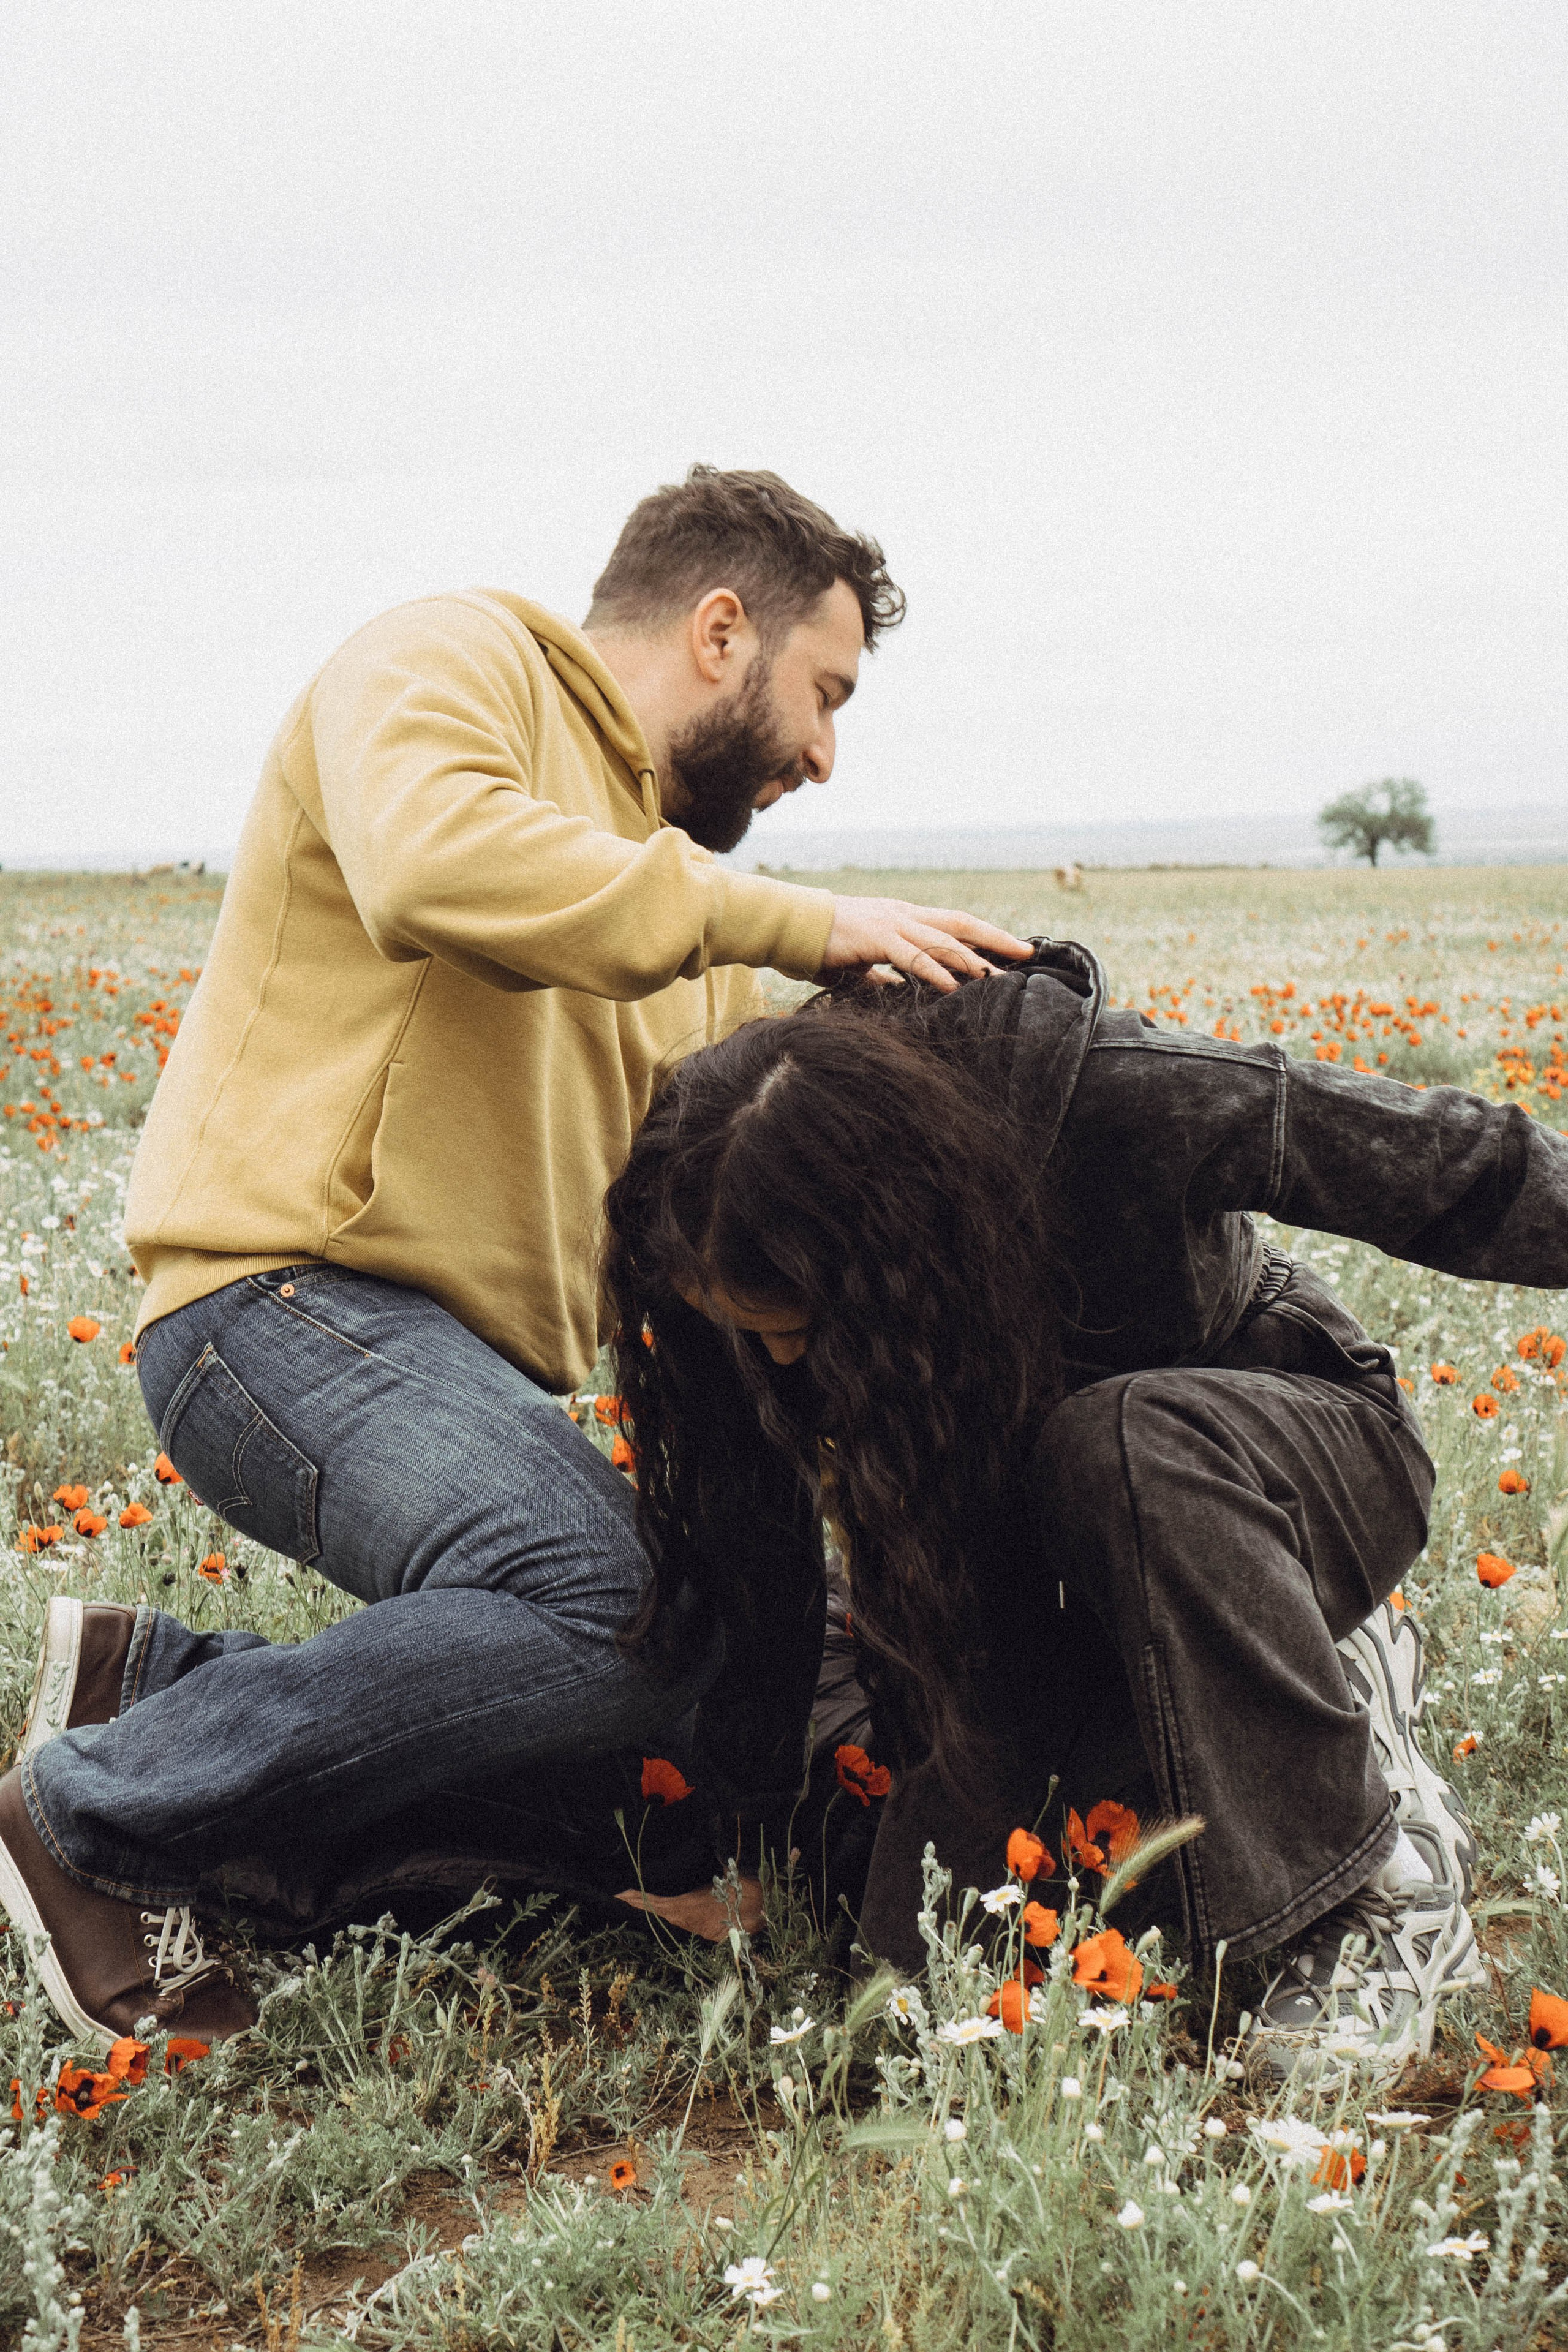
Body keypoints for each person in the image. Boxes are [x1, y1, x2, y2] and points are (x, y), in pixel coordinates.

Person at [0, 465, 1031, 2051]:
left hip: (444, 1369)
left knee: (729, 1642)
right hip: (274, 1305)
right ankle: (94, 1814)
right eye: (825, 693)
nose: (827, 751)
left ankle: (155, 1683)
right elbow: (430, 865)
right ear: (718, 629)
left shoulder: (669, 918)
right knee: (627, 1609)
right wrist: (788, 920)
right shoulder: (448, 661)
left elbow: (714, 1245)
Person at [595, 940, 1568, 2086]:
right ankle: (1341, 1703)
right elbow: (759, 1549)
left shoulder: (1099, 1097)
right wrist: (761, 1826)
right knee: (921, 1994)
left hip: (1272, 1464)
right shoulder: (710, 1210)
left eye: (801, 1329)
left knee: (1110, 1441)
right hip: (1049, 1555)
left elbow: (1451, 1166)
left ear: (889, 1247)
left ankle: (1367, 1898)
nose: (784, 1363)